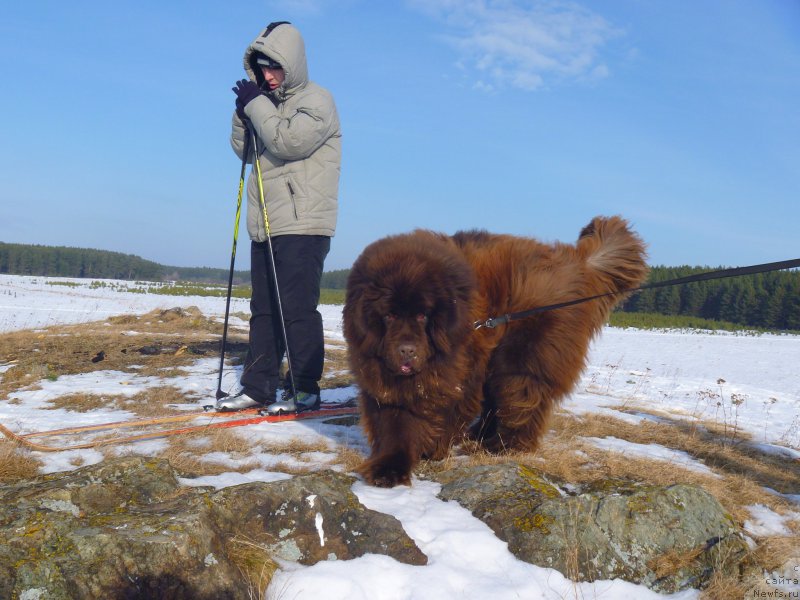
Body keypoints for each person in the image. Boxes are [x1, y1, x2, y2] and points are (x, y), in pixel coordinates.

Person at [218, 21, 341, 414]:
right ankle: (258, 387)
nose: (267, 76)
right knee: (264, 310)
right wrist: (243, 113)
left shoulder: (318, 101)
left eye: (274, 67)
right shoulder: (266, 104)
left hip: (303, 225)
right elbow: (246, 152)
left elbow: (288, 142)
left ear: (293, 64)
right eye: (261, 69)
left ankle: (304, 389)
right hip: (266, 224)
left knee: (297, 311)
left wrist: (256, 105)